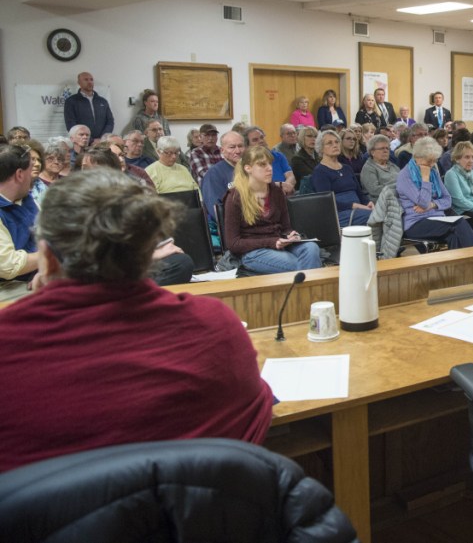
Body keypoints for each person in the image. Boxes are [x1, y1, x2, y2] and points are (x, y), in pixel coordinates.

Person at [0, 168, 273, 472]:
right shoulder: (216, 326)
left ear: (48, 257)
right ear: (150, 252)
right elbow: (254, 425)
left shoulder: (9, 345)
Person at [78, 144, 192, 284]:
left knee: (181, 263)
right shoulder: (79, 202)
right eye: (84, 168)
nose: (87, 173)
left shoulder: (126, 198)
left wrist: (162, 247)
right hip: (100, 267)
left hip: (133, 261)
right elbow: (99, 254)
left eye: (95, 168)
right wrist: (154, 255)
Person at [223, 147, 322, 275]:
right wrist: (272, 242)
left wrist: (291, 235)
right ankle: (311, 294)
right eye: (262, 165)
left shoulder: (276, 191)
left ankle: (304, 292)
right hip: (254, 251)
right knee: (299, 263)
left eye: (270, 163)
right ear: (248, 168)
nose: (269, 168)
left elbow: (286, 227)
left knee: (311, 248)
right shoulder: (235, 197)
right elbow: (233, 243)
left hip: (279, 244)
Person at [396, 137, 473, 249]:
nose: (432, 164)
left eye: (434, 160)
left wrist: (433, 205)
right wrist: (425, 179)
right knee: (459, 223)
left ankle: (458, 266)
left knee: (454, 236)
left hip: (438, 219)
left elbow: (447, 200)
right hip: (416, 223)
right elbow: (424, 203)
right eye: (429, 161)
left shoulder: (433, 173)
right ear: (417, 157)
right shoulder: (405, 176)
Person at [311, 130, 374, 227]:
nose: (335, 145)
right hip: (339, 212)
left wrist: (368, 203)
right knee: (376, 216)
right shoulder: (320, 171)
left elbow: (359, 193)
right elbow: (327, 202)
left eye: (337, 142)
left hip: (358, 209)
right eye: (329, 143)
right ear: (321, 148)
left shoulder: (347, 168)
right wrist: (354, 206)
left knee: (385, 211)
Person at [0, 144, 40, 285]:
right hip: (8, 286)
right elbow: (8, 265)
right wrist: (51, 255)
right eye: (30, 170)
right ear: (20, 175)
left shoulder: (26, 198)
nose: (34, 176)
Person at [201, 130, 245, 221]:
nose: (237, 151)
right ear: (222, 150)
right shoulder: (213, 174)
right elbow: (216, 211)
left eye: (240, 146)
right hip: (232, 225)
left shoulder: (250, 169)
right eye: (232, 147)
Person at [245, 127, 296, 195]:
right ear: (247, 146)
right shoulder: (247, 162)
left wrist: (286, 187)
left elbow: (291, 176)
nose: (261, 141)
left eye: (262, 137)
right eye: (255, 140)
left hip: (284, 195)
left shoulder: (278, 156)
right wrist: (278, 186)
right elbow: (252, 185)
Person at [63, 71, 114, 137]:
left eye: (91, 79)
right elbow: (71, 124)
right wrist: (88, 140)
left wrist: (102, 138)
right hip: (82, 142)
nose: (89, 82)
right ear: (79, 83)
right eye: (86, 80)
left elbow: (110, 121)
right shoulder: (71, 101)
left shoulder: (102, 101)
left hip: (101, 142)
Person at [361, 134, 400, 203]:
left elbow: (404, 180)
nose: (385, 151)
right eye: (382, 148)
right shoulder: (368, 168)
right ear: (372, 152)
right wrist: (400, 189)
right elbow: (375, 190)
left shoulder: (393, 165)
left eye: (387, 148)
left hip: (401, 198)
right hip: (382, 202)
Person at [290, 125, 320, 190]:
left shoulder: (320, 156)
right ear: (302, 138)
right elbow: (313, 177)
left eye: (315, 136)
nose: (313, 139)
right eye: (309, 136)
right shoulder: (297, 159)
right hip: (306, 193)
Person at [25, 140, 48, 208]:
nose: (37, 164)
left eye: (39, 160)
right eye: (32, 159)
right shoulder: (13, 190)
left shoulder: (44, 189)